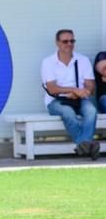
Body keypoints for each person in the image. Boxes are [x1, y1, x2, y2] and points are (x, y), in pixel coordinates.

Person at [41, 29, 99, 159]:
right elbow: (52, 89)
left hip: (79, 98)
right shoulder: (48, 62)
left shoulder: (82, 60)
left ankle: (83, 145)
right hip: (56, 101)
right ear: (57, 43)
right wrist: (73, 90)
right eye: (65, 41)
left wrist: (83, 92)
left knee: (91, 111)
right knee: (68, 113)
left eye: (72, 41)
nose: (69, 44)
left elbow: (90, 84)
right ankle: (87, 144)